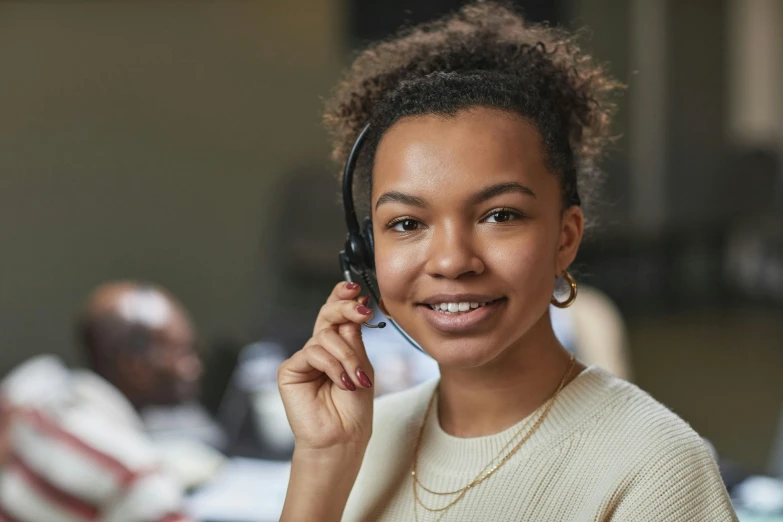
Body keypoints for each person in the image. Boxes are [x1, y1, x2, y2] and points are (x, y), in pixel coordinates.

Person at [277, 3, 736, 522]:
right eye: (406, 223)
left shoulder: (655, 468)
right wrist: (322, 461)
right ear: (364, 253)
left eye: (499, 215)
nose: (452, 260)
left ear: (565, 238)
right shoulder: (356, 443)